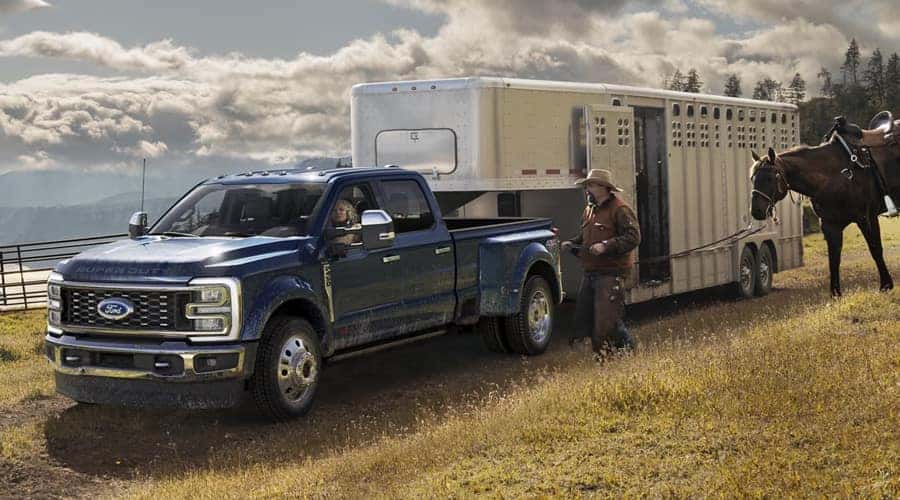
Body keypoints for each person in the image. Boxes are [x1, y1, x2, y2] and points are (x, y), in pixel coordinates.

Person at [561, 169, 641, 359]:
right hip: (591, 272)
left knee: (605, 322)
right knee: (587, 318)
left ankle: (617, 355)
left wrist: (606, 246)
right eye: (587, 185)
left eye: (592, 184)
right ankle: (620, 354)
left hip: (611, 273)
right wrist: (572, 243)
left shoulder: (620, 209)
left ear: (604, 188)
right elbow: (586, 238)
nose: (588, 188)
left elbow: (633, 237)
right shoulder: (590, 210)